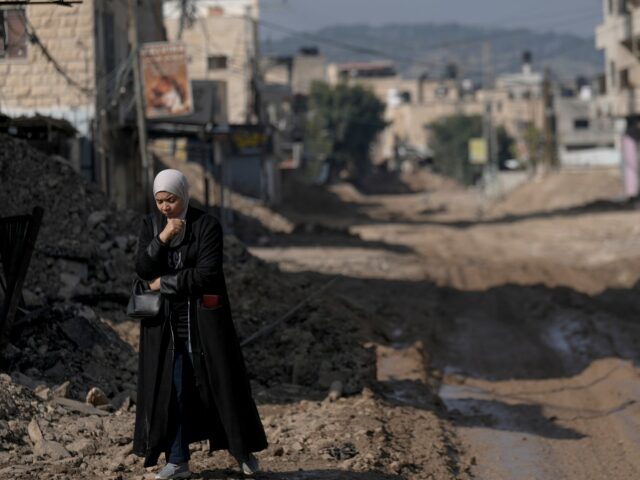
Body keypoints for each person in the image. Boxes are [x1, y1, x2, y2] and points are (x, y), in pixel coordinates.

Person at [132, 169, 267, 479]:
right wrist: (163, 238)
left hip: (204, 323)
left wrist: (162, 282)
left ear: (184, 195)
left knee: (221, 386)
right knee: (173, 392)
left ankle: (242, 452)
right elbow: (142, 268)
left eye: (171, 200)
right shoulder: (151, 226)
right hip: (165, 326)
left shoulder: (206, 226)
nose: (165, 207)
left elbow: (207, 275)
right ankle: (177, 460)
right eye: (160, 201)